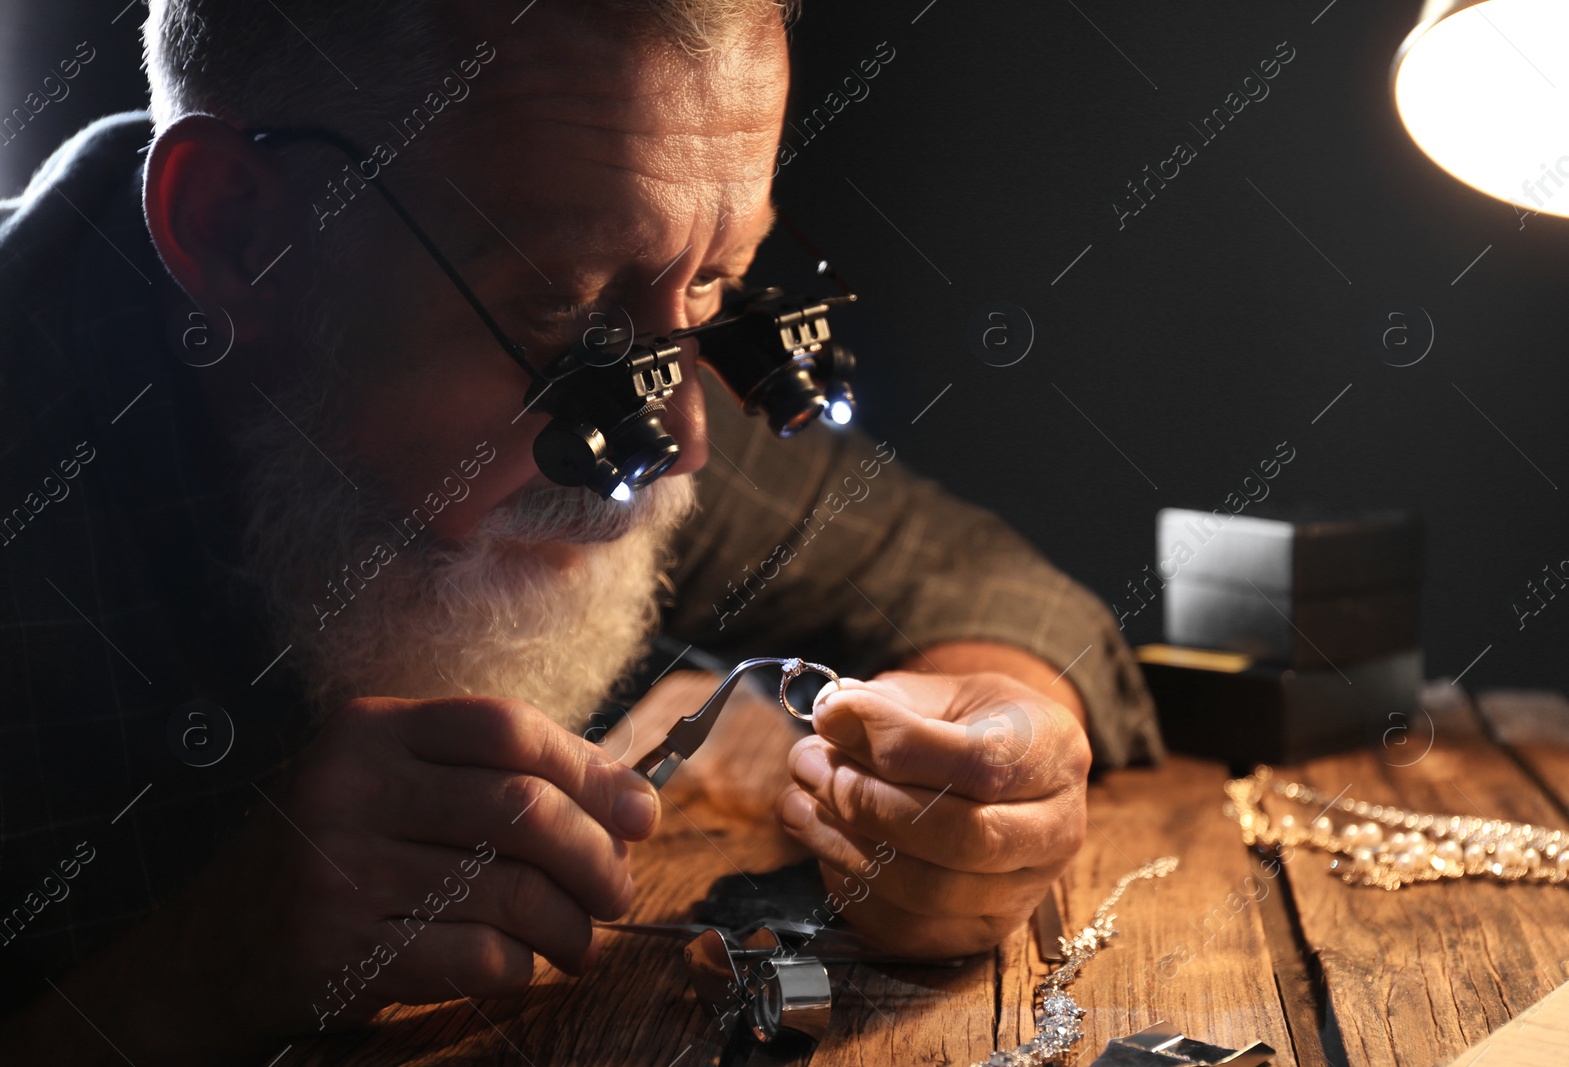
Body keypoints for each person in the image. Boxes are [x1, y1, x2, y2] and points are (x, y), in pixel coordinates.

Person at [0, 0, 1162, 1061]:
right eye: (564, 308)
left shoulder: (620, 356)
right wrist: (191, 977)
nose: (685, 442)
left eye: (714, 284)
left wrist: (979, 771)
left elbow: (974, 581)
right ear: (235, 232)